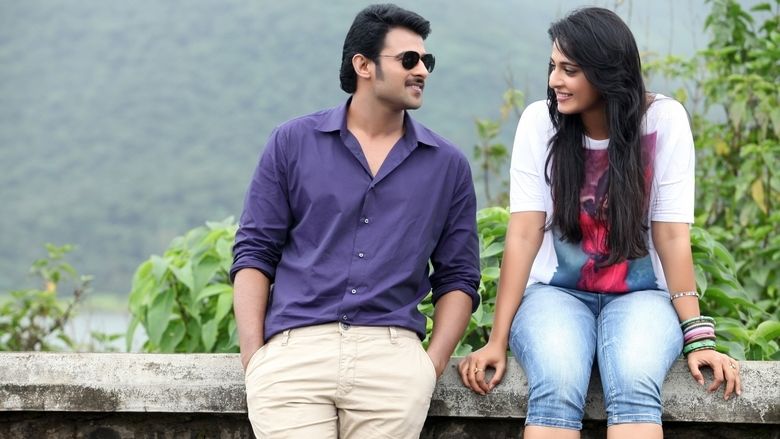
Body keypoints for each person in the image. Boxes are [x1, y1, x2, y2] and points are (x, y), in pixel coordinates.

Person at [458, 7, 741, 439]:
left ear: (607, 73)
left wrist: (698, 337)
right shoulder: (540, 122)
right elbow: (523, 232)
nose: (554, 80)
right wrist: (496, 340)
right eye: (553, 67)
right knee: (555, 383)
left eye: (569, 70)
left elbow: (670, 235)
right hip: (556, 294)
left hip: (642, 295)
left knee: (633, 381)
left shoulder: (663, 121)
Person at [231, 4, 480, 438]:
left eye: (426, 60)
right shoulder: (292, 142)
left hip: (392, 360)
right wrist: (255, 356)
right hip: (295, 354)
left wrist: (430, 364)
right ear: (362, 65)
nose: (421, 70)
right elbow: (255, 251)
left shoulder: (447, 166)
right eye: (408, 60)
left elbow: (459, 276)